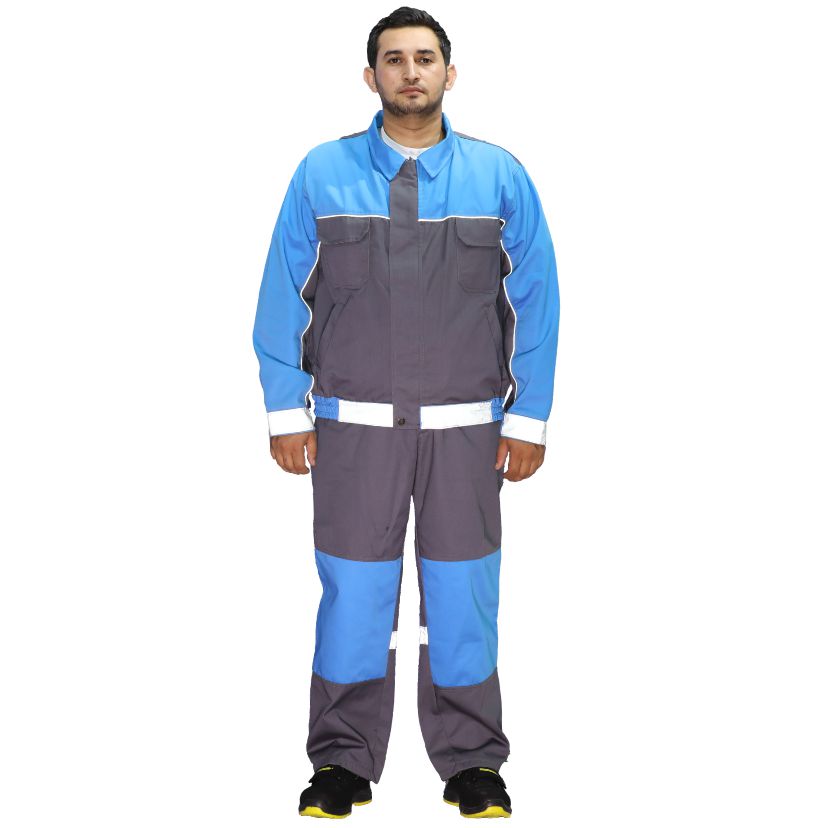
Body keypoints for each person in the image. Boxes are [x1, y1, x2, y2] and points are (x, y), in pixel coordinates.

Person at [252, 6, 560, 819]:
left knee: (463, 599)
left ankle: (473, 762)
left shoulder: (498, 175)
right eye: (394, 59)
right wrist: (286, 408)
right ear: (371, 76)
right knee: (354, 598)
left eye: (425, 57)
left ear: (450, 73)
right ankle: (340, 762)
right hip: (353, 429)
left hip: (468, 431)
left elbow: (539, 298)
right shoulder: (322, 173)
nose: (411, 71)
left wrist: (528, 417)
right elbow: (281, 290)